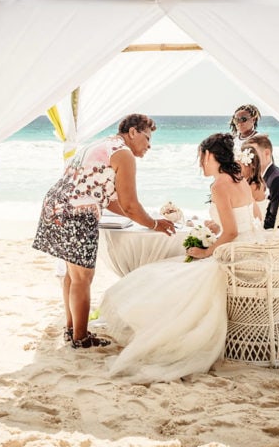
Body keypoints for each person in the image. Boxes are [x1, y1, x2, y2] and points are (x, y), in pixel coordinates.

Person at [99, 132, 260, 383]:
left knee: (157, 274)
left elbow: (232, 231)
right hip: (248, 249)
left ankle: (157, 337)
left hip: (232, 255)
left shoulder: (219, 184)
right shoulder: (240, 180)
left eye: (201, 157)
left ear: (209, 155)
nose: (200, 163)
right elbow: (247, 221)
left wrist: (207, 251)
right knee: (170, 271)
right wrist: (215, 229)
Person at [32, 114, 176, 349]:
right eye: (147, 138)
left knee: (73, 274)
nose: (150, 145)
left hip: (56, 206)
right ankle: (81, 338)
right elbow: (129, 205)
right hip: (76, 214)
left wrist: (143, 217)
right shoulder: (124, 154)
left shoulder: (100, 145)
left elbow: (110, 200)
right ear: (132, 132)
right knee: (82, 278)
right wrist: (153, 224)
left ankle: (71, 330)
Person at [249, 135, 279, 229]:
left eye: (253, 153)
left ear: (267, 153)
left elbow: (276, 220)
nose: (250, 158)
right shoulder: (262, 177)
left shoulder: (278, 179)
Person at [236, 142, 267, 222]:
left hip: (256, 224)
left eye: (241, 164)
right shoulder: (247, 182)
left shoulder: (254, 186)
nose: (238, 168)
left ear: (252, 165)